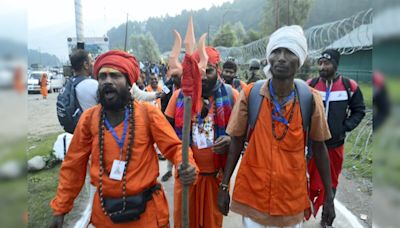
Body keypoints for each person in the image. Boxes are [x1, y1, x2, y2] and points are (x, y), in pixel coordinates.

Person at [49, 50, 198, 228]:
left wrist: (186, 164)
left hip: (147, 217)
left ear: (128, 82)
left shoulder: (147, 113)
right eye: (102, 77)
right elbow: (73, 165)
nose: (108, 81)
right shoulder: (89, 119)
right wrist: (60, 209)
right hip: (105, 217)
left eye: (115, 76)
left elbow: (174, 147)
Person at [217, 25, 336, 228]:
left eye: (289, 52)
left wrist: (329, 197)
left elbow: (319, 148)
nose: (281, 57)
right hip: (253, 197)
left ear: (298, 61)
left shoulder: (310, 99)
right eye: (276, 51)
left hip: (290, 201)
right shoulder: (250, 95)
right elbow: (236, 141)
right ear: (268, 58)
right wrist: (224, 185)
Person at [165, 46, 239, 228]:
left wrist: (230, 140)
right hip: (186, 178)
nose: (203, 76)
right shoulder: (179, 97)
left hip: (216, 178)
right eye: (198, 70)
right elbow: (165, 137)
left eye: (209, 70)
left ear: (218, 70)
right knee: (185, 222)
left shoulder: (232, 96)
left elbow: (242, 136)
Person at [306, 49, 366, 226]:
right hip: (311, 146)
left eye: (327, 63)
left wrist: (344, 127)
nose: (323, 67)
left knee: (330, 182)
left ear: (336, 65)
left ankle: (326, 217)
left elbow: (359, 110)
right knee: (305, 180)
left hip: (335, 146)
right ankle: (302, 212)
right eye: (321, 63)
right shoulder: (311, 84)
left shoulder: (350, 86)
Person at [161, 74, 182, 182]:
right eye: (173, 77)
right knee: (171, 144)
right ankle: (169, 170)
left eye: (177, 76)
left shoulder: (188, 86)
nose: (175, 79)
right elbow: (162, 99)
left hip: (182, 121)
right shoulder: (167, 85)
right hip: (170, 118)